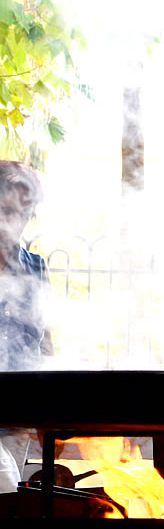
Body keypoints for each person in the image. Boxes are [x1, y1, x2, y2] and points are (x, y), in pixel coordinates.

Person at [0, 160, 53, 491]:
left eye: (25, 213)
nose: (15, 222)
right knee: (6, 487)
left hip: (18, 415)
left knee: (10, 502)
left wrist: (48, 415)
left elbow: (43, 342)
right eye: (7, 211)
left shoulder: (35, 267)